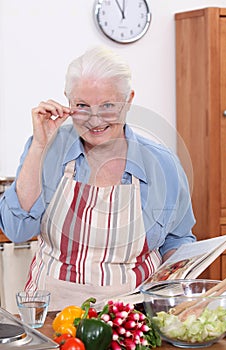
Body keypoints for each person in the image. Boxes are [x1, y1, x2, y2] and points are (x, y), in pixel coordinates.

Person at [0, 46, 196, 310]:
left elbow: (178, 237)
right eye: (82, 106)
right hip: (53, 316)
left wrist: (174, 277)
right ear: (68, 102)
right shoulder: (49, 150)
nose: (95, 120)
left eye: (108, 106)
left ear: (129, 101)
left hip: (134, 317)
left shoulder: (162, 164)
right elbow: (16, 230)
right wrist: (38, 146)